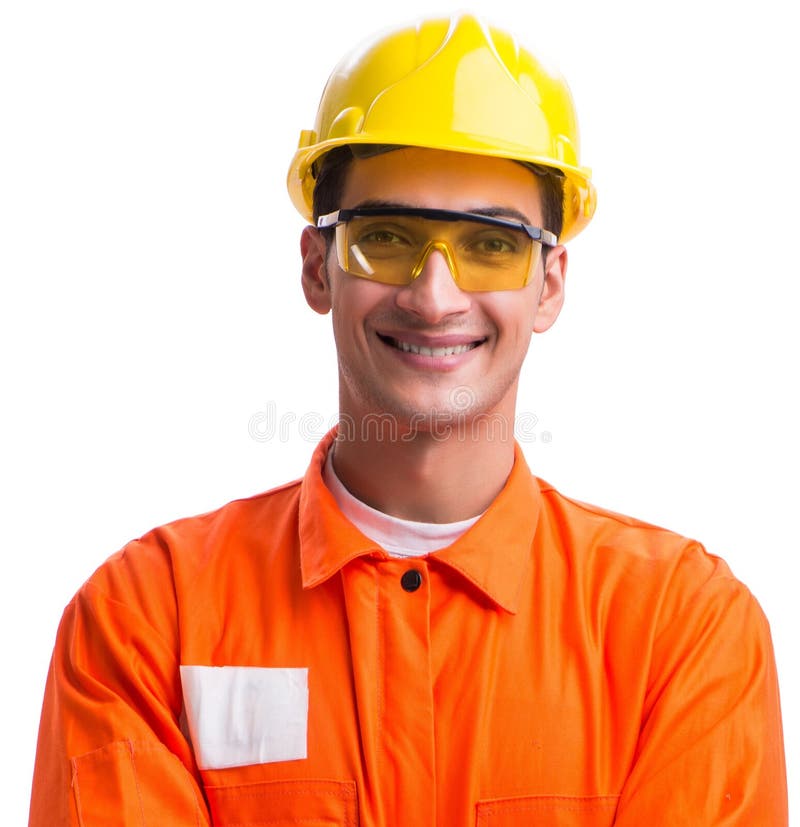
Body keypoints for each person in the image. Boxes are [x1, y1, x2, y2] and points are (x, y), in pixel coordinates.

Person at [29, 13, 787, 826]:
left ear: (550, 282)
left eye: (490, 244)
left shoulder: (680, 630)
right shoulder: (148, 619)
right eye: (386, 237)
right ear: (318, 267)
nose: (433, 294)